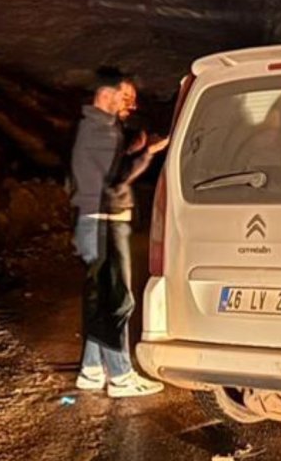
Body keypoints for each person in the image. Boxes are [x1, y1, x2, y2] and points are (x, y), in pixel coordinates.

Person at [70, 71, 168, 398]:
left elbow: (104, 169)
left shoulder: (98, 127)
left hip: (95, 220)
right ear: (106, 94)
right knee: (117, 299)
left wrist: (131, 149)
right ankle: (122, 376)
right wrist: (149, 153)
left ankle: (92, 369)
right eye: (125, 96)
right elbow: (116, 179)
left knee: (101, 299)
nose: (131, 103)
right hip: (104, 222)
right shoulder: (100, 129)